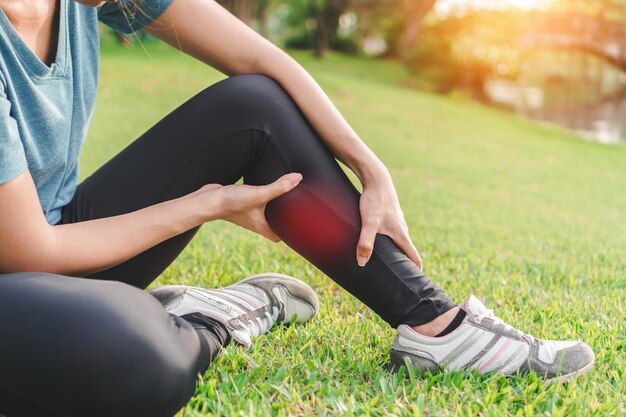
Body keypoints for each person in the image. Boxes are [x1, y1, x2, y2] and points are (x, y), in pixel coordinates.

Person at [0, 0, 595, 416]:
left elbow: (261, 62)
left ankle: (434, 325)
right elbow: (28, 252)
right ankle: (211, 318)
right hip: (19, 275)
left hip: (65, 245)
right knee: (136, 364)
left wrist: (371, 165)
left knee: (253, 105)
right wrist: (200, 206)